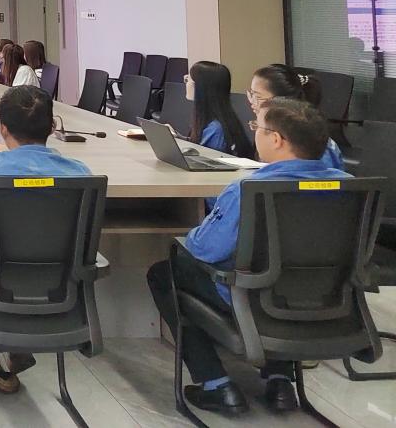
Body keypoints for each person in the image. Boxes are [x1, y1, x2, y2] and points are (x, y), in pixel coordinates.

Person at [145, 98, 351, 414]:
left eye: (257, 127)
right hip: (327, 300)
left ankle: (217, 385)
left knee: (165, 273)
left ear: (276, 139)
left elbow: (206, 249)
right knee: (286, 274)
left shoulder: (249, 189)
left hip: (252, 299)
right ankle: (280, 381)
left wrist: (195, 231)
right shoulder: (350, 188)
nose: (253, 132)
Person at [0, 85, 92, 393]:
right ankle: (14, 346)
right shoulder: (81, 174)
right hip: (55, 289)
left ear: (2, 128)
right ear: (52, 126)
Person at [249, 64, 343, 168]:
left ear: (281, 101)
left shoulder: (313, 144)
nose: (252, 101)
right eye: (251, 94)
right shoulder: (268, 131)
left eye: (258, 97)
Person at [187, 61, 254, 158]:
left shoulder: (216, 129)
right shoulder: (215, 121)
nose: (186, 84)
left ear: (200, 87)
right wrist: (177, 136)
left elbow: (208, 161)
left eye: (187, 80)